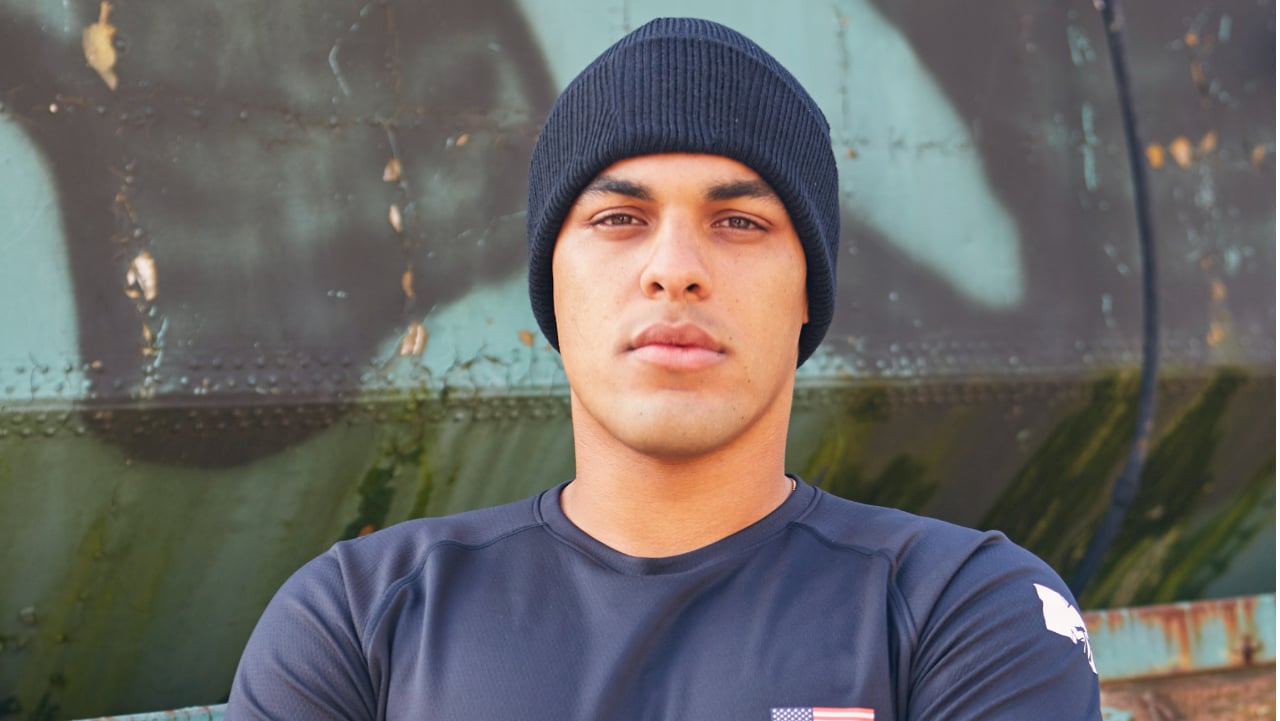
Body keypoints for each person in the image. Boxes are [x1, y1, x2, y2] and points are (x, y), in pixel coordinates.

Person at [226, 17, 1102, 720]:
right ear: (550, 282)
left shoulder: (963, 611)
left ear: (810, 289)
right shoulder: (356, 619)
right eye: (619, 219)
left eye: (740, 222)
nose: (675, 269)